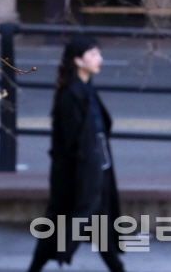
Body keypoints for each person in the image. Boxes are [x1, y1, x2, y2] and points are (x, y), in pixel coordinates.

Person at [27, 35, 126, 271]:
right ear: (78, 61)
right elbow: (72, 144)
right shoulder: (70, 95)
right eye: (93, 54)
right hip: (77, 176)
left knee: (96, 225)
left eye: (98, 54)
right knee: (62, 224)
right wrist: (89, 175)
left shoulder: (86, 89)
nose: (99, 58)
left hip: (95, 169)